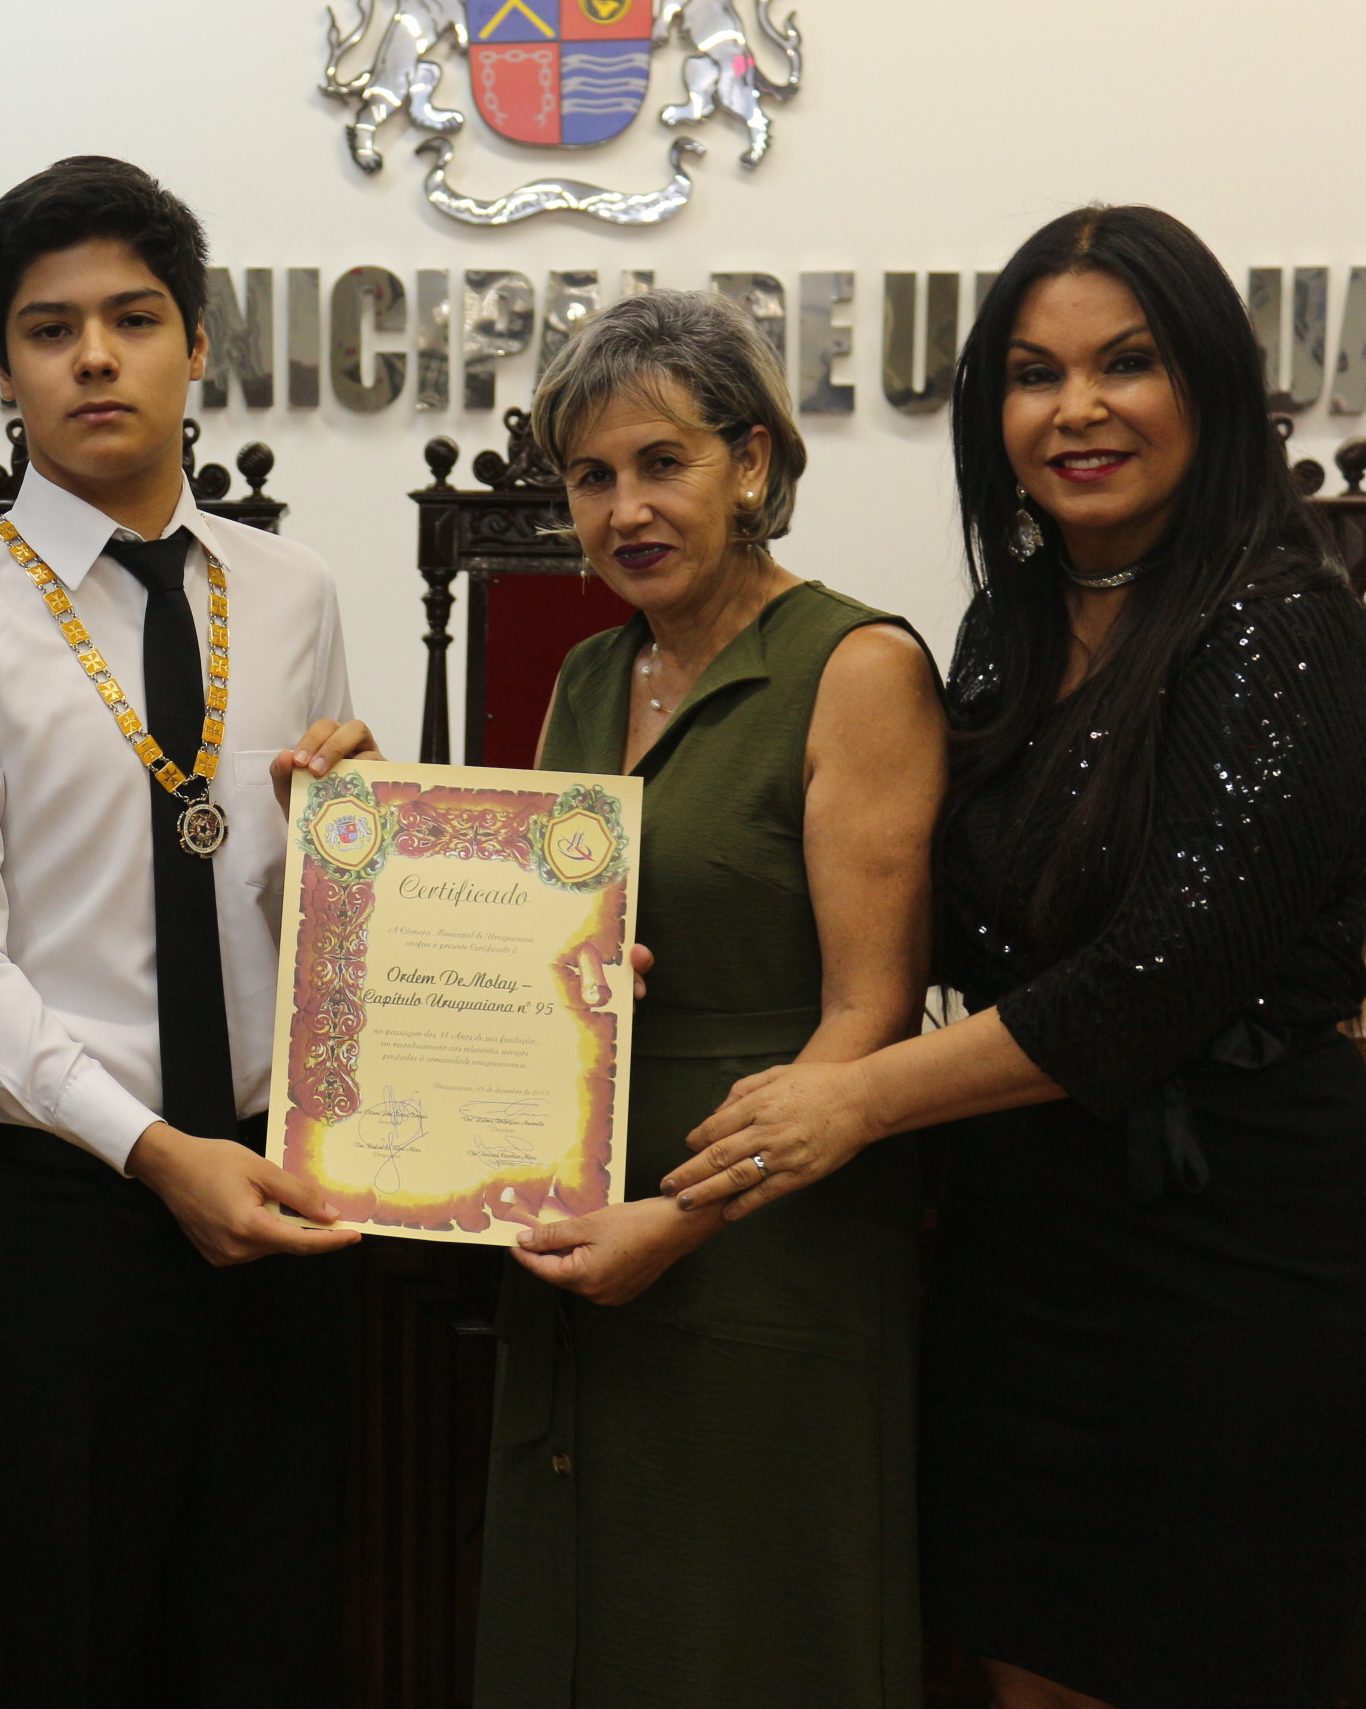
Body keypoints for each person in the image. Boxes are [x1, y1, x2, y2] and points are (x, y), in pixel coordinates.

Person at [660, 206, 1366, 1709]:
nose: (1077, 409)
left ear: (1207, 383)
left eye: (1125, 363)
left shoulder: (1285, 625)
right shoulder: (1010, 626)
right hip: (1025, 1239)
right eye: (1033, 373)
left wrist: (855, 1098)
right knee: (1028, 1666)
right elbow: (940, 912)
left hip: (1238, 1247)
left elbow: (1157, 977)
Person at [0, 155, 375, 1708]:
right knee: (52, 1647)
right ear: (4, 369)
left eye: (134, 319)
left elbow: (317, 917)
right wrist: (158, 1155)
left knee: (266, 1639)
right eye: (49, 328)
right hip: (57, 1219)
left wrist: (363, 839)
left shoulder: (291, 590)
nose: (95, 357)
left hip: (279, 1192)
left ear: (196, 343)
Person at [473, 291, 947, 1707]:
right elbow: (531, 938)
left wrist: (680, 1221)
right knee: (591, 1617)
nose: (623, 509)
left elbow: (870, 1018)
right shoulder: (589, 673)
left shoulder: (858, 667)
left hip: (771, 1227)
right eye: (591, 476)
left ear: (750, 461)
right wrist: (361, 826)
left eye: (661, 462)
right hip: (582, 1211)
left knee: (749, 1629)